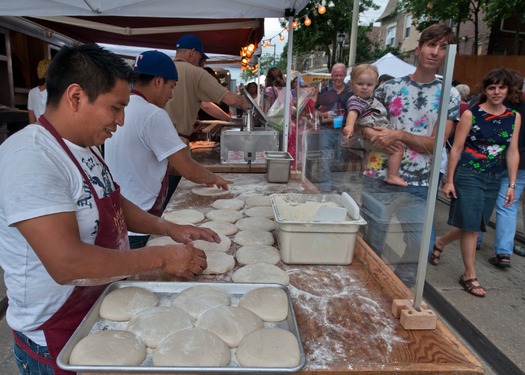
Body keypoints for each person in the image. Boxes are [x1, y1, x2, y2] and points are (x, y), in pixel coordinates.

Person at [0, 44, 218, 375]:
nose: (121, 119)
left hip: (98, 305)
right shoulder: (31, 157)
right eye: (116, 107)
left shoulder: (85, 148)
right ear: (75, 97)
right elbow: (66, 264)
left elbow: (113, 204)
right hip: (54, 333)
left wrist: (169, 229)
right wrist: (161, 257)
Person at [358, 24, 460, 281]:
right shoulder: (387, 88)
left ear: (449, 54)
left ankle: (400, 288)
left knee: (419, 246)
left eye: (443, 47)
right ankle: (372, 286)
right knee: (371, 242)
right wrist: (371, 133)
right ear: (418, 49)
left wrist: (400, 135)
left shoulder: (450, 94)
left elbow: (436, 144)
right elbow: (364, 127)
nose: (435, 52)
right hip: (378, 175)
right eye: (431, 45)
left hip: (420, 182)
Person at [104, 50, 232, 249]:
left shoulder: (122, 108)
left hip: (121, 220)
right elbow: (186, 167)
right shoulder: (153, 114)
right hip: (142, 222)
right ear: (157, 81)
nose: (171, 95)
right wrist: (215, 179)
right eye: (171, 87)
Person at [433, 69, 521, 297]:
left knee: (473, 224)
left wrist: (511, 184)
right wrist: (449, 180)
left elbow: (512, 152)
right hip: (468, 174)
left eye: (501, 87)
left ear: (508, 89)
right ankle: (469, 275)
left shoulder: (514, 117)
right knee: (472, 228)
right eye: (492, 87)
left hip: (494, 178)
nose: (497, 92)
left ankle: (440, 242)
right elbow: (457, 149)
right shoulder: (471, 115)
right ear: (485, 90)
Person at [164, 34, 249, 194]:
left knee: (161, 194)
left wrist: (227, 118)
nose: (201, 62)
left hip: (155, 147)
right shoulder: (196, 73)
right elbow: (230, 99)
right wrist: (247, 103)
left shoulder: (163, 68)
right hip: (177, 147)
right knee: (175, 193)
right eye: (200, 58)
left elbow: (204, 104)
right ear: (192, 52)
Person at [342, 64, 406, 187]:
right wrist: (349, 126)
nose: (364, 88)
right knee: (398, 149)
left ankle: (367, 167)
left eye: (369, 85)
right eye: (360, 84)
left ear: (375, 84)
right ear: (351, 84)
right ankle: (393, 175)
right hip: (374, 134)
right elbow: (352, 113)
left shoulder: (369, 99)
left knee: (369, 154)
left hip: (370, 136)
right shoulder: (356, 100)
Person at [313, 63, 353, 192]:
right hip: (327, 130)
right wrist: (323, 114)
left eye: (341, 75)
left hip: (343, 130)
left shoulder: (350, 92)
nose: (338, 78)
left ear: (345, 75)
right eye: (335, 75)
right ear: (331, 75)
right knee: (325, 160)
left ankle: (337, 187)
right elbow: (315, 112)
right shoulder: (324, 91)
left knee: (341, 160)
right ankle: (325, 188)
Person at [27, 58, 51, 124]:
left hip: (39, 130)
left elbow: (31, 118)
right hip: (54, 132)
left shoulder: (32, 93)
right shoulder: (56, 91)